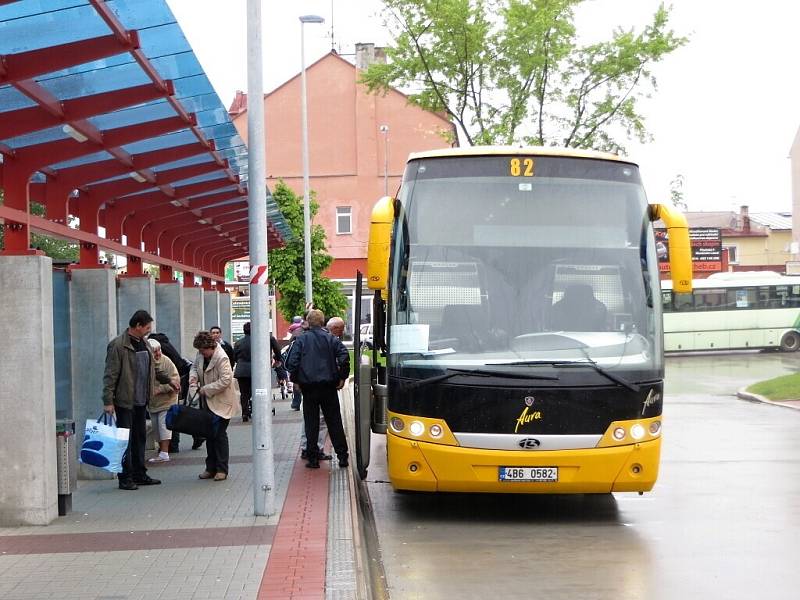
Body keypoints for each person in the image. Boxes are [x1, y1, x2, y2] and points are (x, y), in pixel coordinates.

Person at [102, 310, 178, 490]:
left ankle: (139, 473)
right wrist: (108, 401)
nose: (148, 331)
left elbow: (153, 369)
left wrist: (169, 380)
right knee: (125, 441)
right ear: (137, 326)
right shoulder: (118, 346)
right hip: (124, 401)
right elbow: (110, 375)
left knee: (140, 438)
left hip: (142, 400)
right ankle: (125, 477)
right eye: (147, 327)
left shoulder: (144, 343)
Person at [286, 309, 350, 469]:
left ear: (308, 321)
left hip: (308, 387)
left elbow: (291, 363)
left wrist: (296, 380)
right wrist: (342, 377)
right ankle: (342, 457)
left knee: (311, 423)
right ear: (322, 322)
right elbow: (344, 357)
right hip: (329, 386)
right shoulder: (331, 339)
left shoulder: (301, 340)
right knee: (334, 422)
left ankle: (313, 458)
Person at [189, 330, 240, 481]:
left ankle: (222, 469)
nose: (201, 353)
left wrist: (205, 389)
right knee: (209, 434)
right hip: (207, 402)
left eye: (203, 350)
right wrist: (193, 378)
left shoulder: (221, 357)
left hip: (222, 402)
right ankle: (210, 468)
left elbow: (225, 380)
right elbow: (194, 367)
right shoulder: (201, 355)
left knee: (219, 435)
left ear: (210, 347)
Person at [146, 338, 180, 463]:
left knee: (163, 426)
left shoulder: (167, 361)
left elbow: (175, 381)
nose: (158, 353)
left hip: (167, 401)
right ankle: (162, 451)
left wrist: (160, 389)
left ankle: (165, 452)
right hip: (153, 403)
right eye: (155, 351)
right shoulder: (147, 363)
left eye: (159, 350)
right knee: (156, 428)